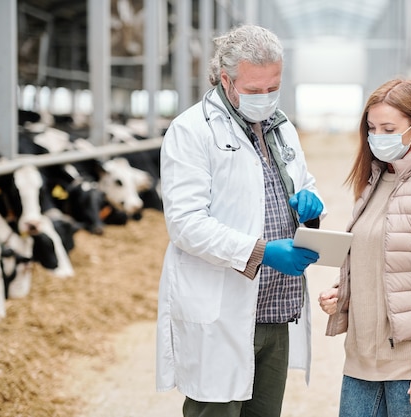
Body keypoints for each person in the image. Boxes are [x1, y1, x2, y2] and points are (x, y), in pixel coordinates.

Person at [156, 24, 324, 417]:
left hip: (277, 308)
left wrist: (312, 207)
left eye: (273, 87)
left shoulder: (282, 129)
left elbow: (304, 183)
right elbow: (185, 223)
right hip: (223, 310)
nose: (266, 98)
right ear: (227, 80)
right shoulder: (191, 130)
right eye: (254, 90)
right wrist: (261, 252)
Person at [318, 78, 411, 417]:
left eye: (389, 128)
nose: (377, 136)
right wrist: (344, 292)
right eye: (372, 127)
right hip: (361, 358)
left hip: (410, 362)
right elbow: (384, 260)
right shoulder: (372, 183)